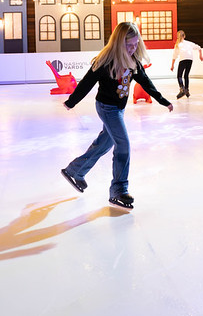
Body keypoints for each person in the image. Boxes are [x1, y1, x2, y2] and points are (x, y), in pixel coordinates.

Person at [61, 21, 173, 209]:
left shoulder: (133, 61)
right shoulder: (105, 61)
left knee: (104, 144)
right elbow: (87, 83)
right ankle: (119, 190)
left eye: (136, 44)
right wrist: (71, 102)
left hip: (118, 109)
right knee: (123, 145)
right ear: (119, 43)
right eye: (129, 45)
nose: (133, 48)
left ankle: (75, 171)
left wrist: (162, 100)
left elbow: (146, 83)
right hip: (106, 107)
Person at [170, 30, 203, 98]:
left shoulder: (177, 45)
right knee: (186, 75)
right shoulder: (189, 43)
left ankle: (182, 89)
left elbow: (174, 56)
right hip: (190, 60)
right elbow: (199, 47)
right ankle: (187, 90)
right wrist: (200, 56)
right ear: (184, 36)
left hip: (183, 59)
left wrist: (172, 65)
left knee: (179, 76)